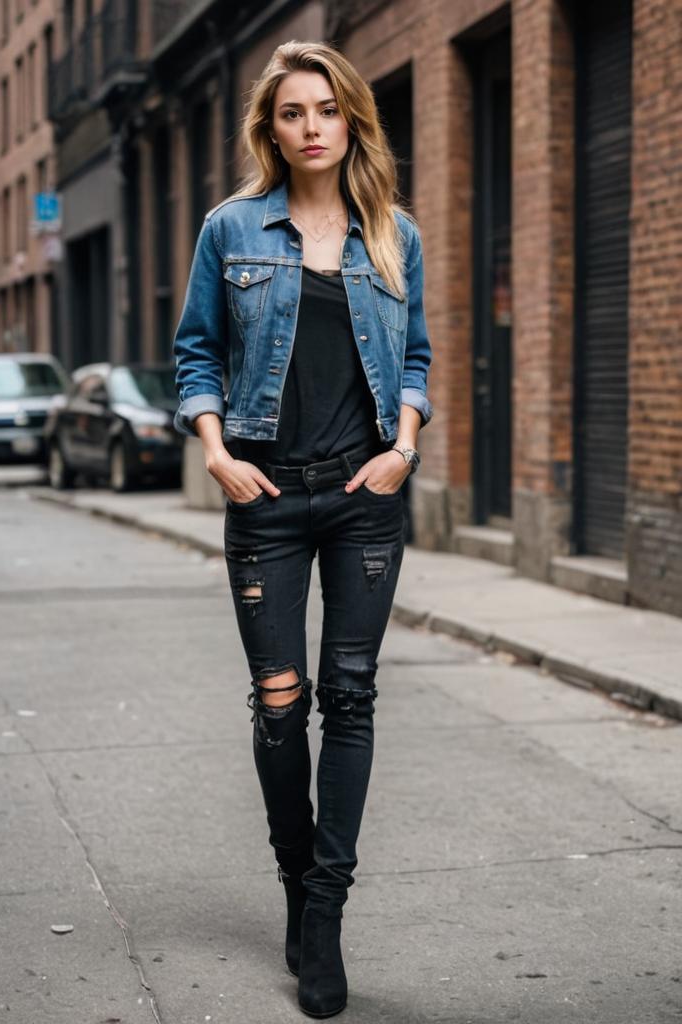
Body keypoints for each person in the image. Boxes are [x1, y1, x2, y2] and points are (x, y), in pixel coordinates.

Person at [172, 39, 433, 1019]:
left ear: (351, 117)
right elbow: (196, 352)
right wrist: (215, 448)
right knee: (281, 701)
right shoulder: (230, 230)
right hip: (267, 499)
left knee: (352, 698)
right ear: (271, 127)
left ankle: (322, 915)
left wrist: (403, 446)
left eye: (327, 108)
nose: (313, 125)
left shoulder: (391, 234)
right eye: (293, 112)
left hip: (367, 490)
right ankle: (294, 876)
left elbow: (415, 357)